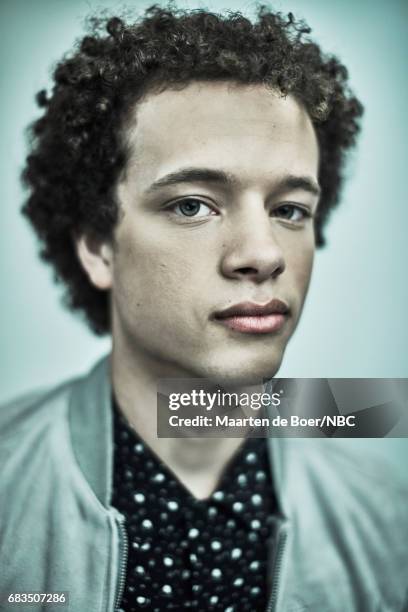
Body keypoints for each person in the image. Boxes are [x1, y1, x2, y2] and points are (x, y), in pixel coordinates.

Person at [1, 5, 407, 612]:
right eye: (193, 205)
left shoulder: (387, 515)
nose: (264, 254)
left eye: (289, 209)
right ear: (97, 246)